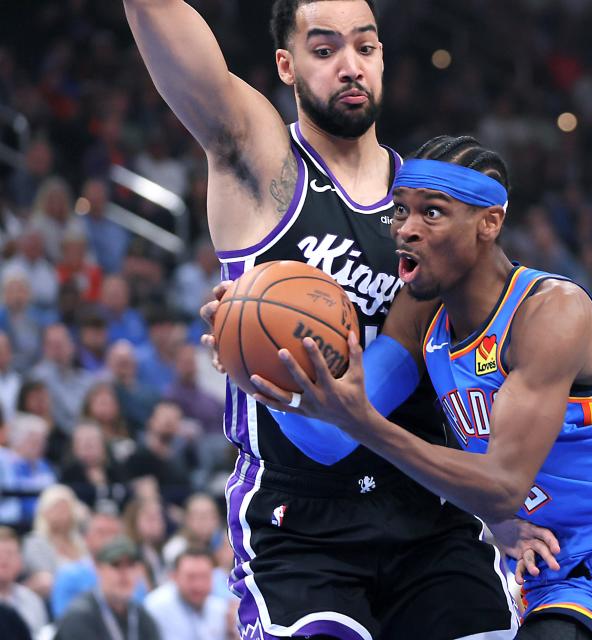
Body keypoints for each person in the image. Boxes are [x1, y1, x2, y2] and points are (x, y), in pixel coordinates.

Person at [253, 137, 592, 638]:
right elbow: (331, 437)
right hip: (569, 580)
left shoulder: (550, 312)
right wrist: (253, 361)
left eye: (432, 213)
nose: (406, 228)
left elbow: (500, 485)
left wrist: (368, 427)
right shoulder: (421, 311)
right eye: (400, 212)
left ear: (488, 223)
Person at [126, 1, 522, 637]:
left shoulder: (431, 198)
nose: (350, 66)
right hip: (300, 521)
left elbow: (484, 369)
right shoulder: (260, 158)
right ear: (286, 64)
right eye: (325, 49)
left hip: (427, 509)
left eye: (366, 48)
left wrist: (507, 507)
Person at [53, 536, 161, 640]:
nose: (125, 573)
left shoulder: (141, 617)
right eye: (116, 565)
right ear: (98, 569)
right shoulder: (79, 616)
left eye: (131, 565)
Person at [144, 548, 228, 640]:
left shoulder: (221, 610)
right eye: (191, 577)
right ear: (174, 577)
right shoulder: (155, 607)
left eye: (204, 576)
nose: (198, 585)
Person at [0, 526, 50, 637]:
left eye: (9, 553)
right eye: (0, 553)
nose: (4, 559)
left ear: (20, 561)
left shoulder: (32, 600)